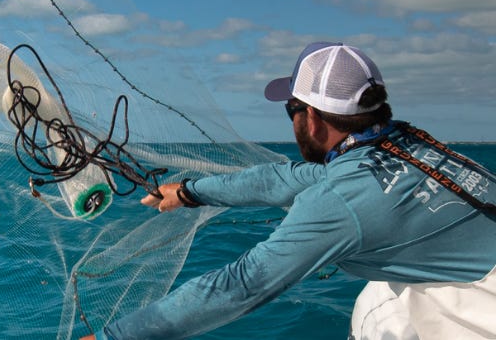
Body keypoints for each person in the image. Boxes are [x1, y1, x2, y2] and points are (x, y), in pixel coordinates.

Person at [79, 42, 496, 340]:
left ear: (311, 119)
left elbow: (240, 286)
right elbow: (284, 179)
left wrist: (113, 337)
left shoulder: (342, 200)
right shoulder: (404, 145)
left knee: (378, 312)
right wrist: (189, 192)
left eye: (291, 110)